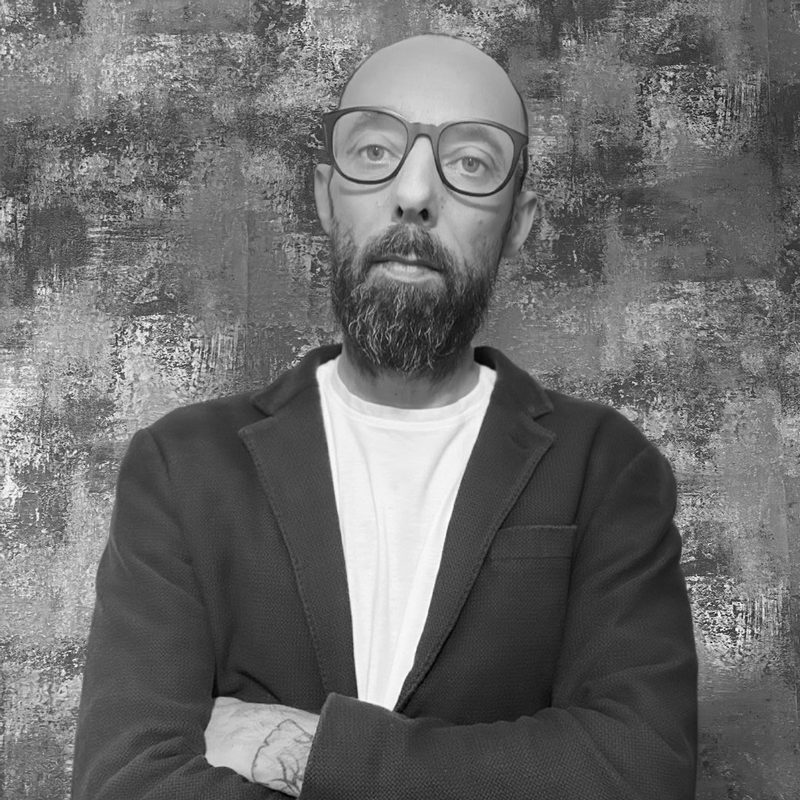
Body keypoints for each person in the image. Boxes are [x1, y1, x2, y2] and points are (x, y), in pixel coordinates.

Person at [72, 33, 698, 800]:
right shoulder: (182, 466)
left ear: (520, 222)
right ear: (326, 195)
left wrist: (317, 752)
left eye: (471, 163)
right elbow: (126, 782)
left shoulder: (605, 468)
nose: (415, 193)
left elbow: (640, 772)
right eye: (375, 151)